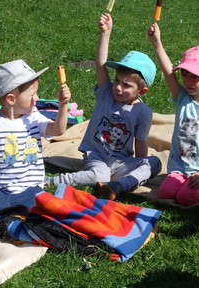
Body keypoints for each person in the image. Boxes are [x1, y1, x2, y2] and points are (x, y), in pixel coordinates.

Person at [47, 12, 161, 201]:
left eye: (126, 85)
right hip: (97, 157)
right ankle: (50, 181)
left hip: (122, 162)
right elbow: (101, 65)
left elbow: (140, 143)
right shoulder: (106, 94)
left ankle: (117, 186)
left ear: (142, 91)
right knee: (99, 175)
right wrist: (105, 33)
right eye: (117, 80)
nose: (118, 87)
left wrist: (139, 164)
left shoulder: (143, 112)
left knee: (154, 163)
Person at [0, 59, 71, 219]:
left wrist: (63, 105)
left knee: (43, 210)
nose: (37, 98)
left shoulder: (33, 117)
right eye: (32, 94)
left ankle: (15, 215)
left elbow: (58, 130)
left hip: (29, 189)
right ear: (11, 99)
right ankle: (12, 214)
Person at [148, 24, 199, 206]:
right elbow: (168, 72)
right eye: (185, 75)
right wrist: (156, 43)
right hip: (180, 169)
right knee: (166, 193)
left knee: (186, 198)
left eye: (195, 76)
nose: (188, 81)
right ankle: (184, 184)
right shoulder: (183, 98)